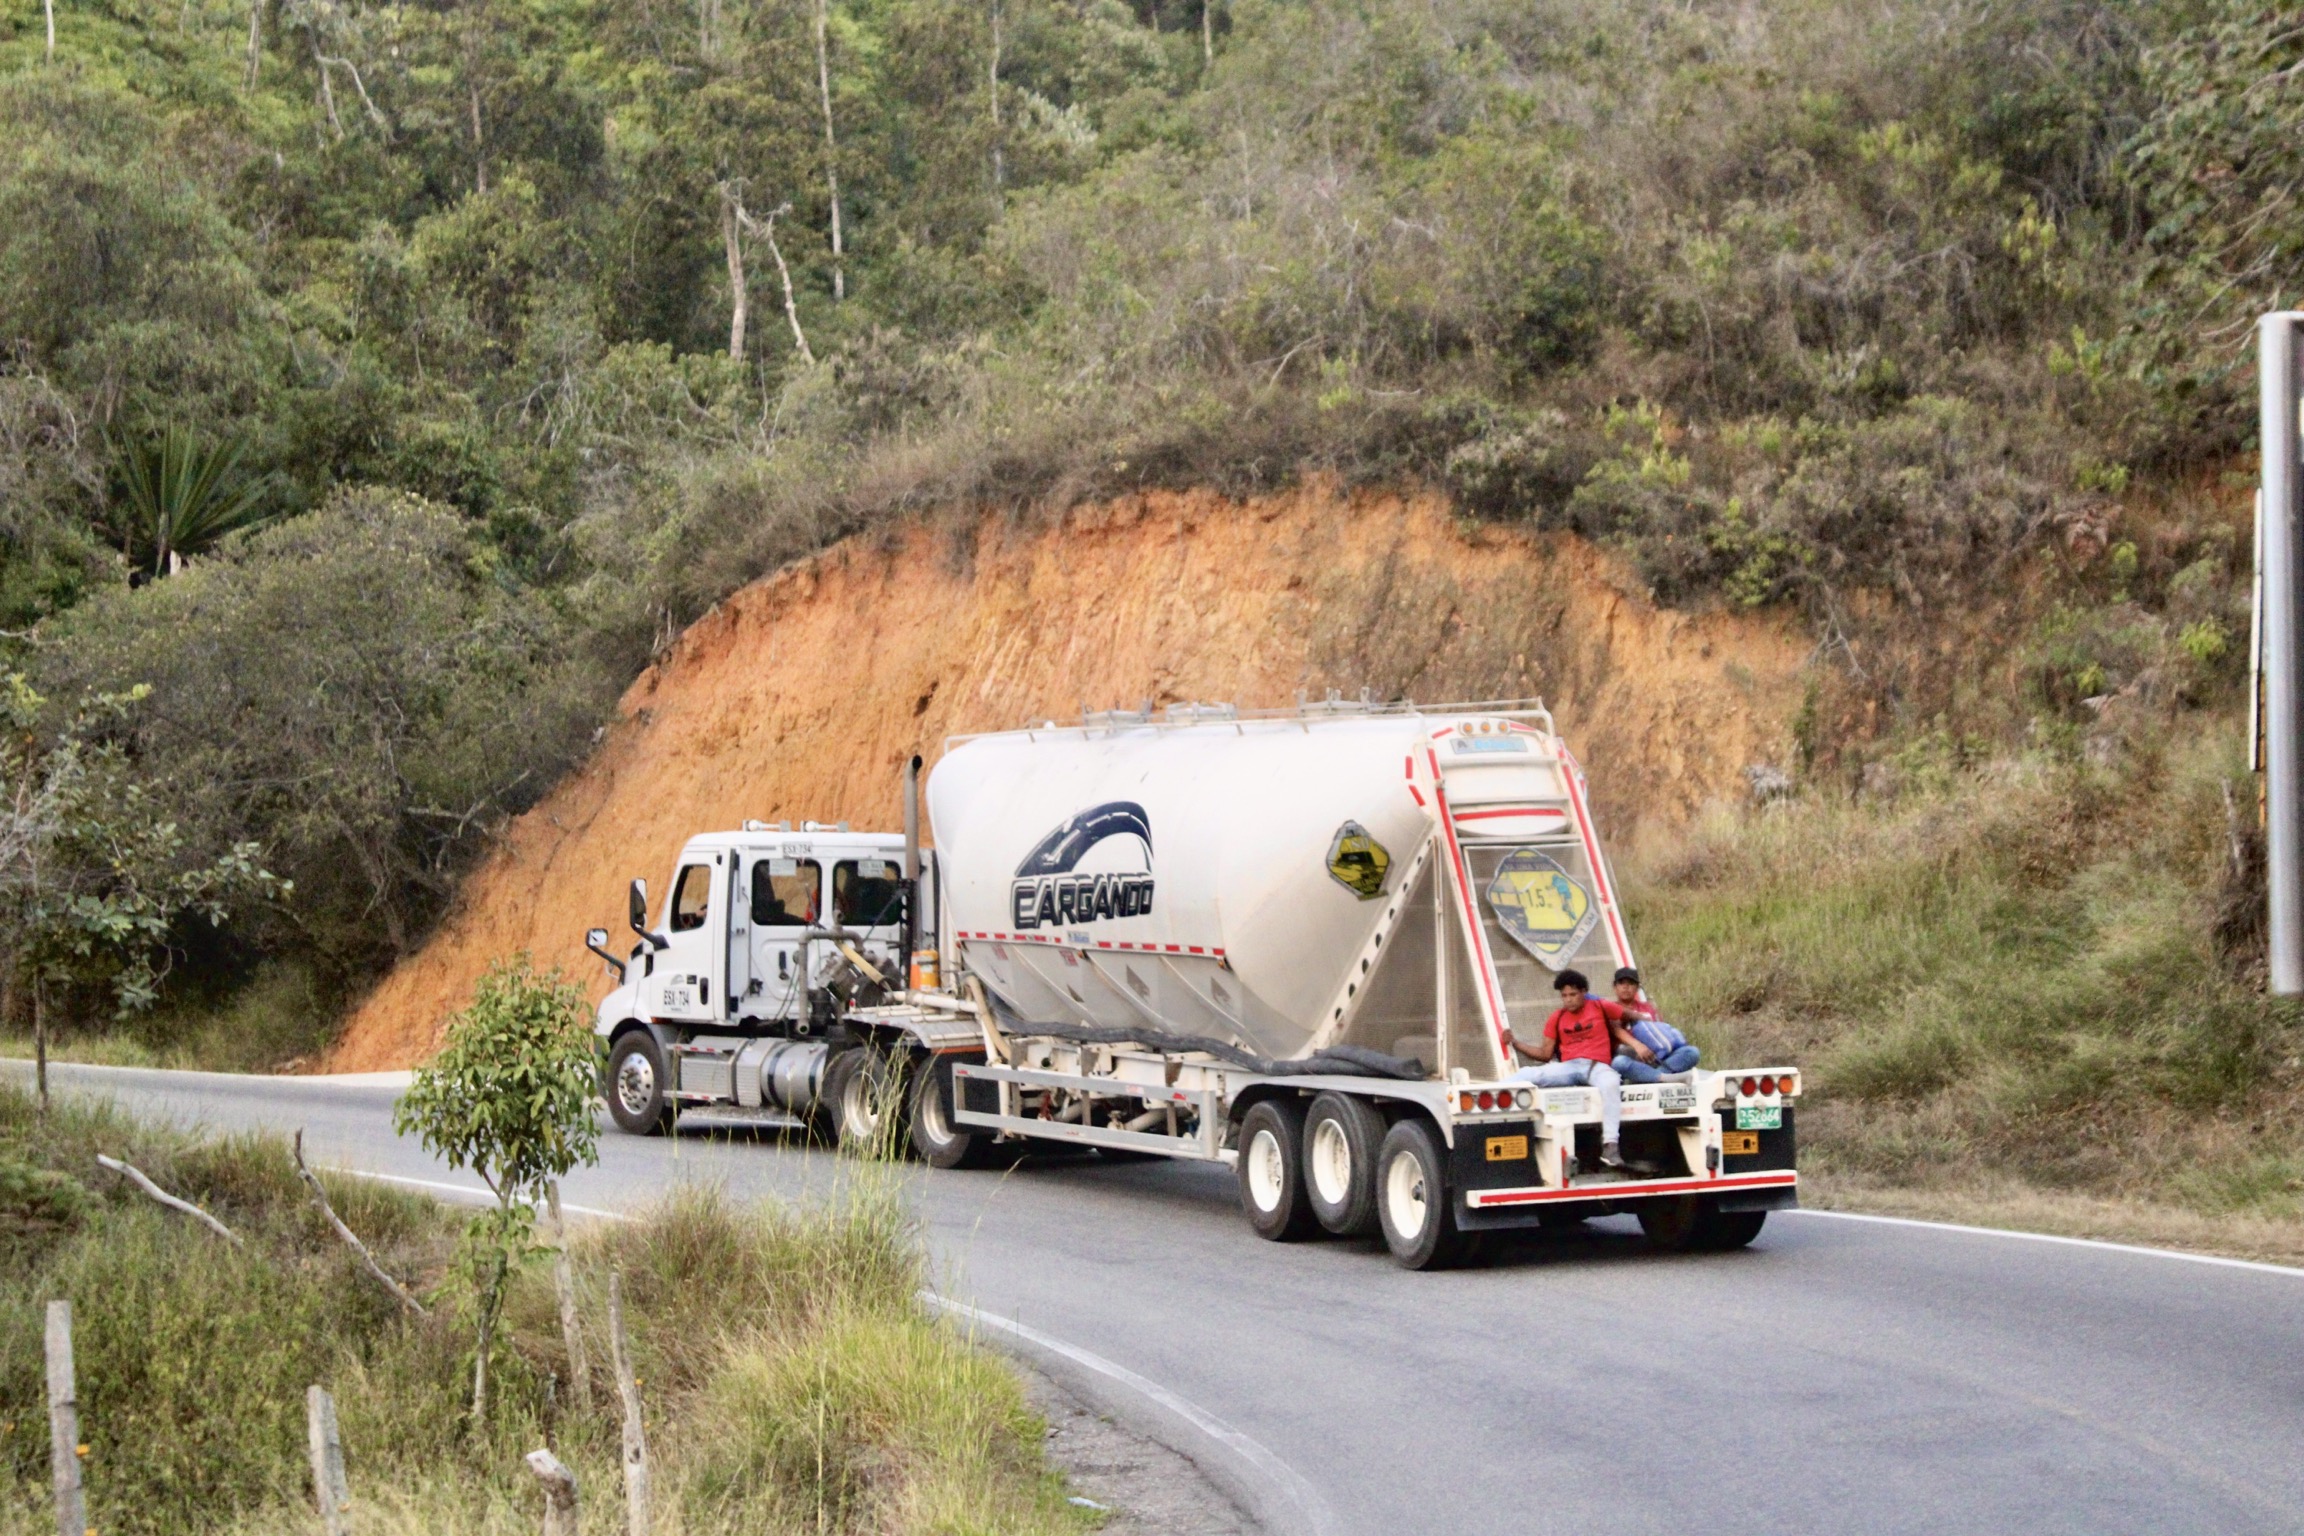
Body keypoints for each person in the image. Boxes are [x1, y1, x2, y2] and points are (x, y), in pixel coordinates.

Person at [1502, 969, 1637, 1170]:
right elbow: (1545, 1054)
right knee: (1531, 1074)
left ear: (1584, 992)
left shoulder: (1599, 1006)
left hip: (1596, 1066)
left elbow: (1628, 1014)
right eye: (1564, 996)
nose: (1568, 1000)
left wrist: (1648, 1024)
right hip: (1570, 1066)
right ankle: (1496, 1091)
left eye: (1573, 995)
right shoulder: (1557, 1017)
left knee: (1610, 1083)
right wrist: (1515, 1042)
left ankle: (1610, 1145)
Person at [1608, 966, 1700, 1083]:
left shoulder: (1648, 1008)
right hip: (1632, 1058)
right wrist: (1638, 1046)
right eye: (1621, 983)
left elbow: (1661, 1033)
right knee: (1619, 1063)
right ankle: (1661, 1077)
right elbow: (1616, 1030)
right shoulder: (1610, 1008)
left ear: (1637, 987)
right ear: (1615, 987)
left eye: (1630, 983)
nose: (1626, 987)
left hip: (1655, 1057)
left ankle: (1652, 1077)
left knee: (1692, 1052)